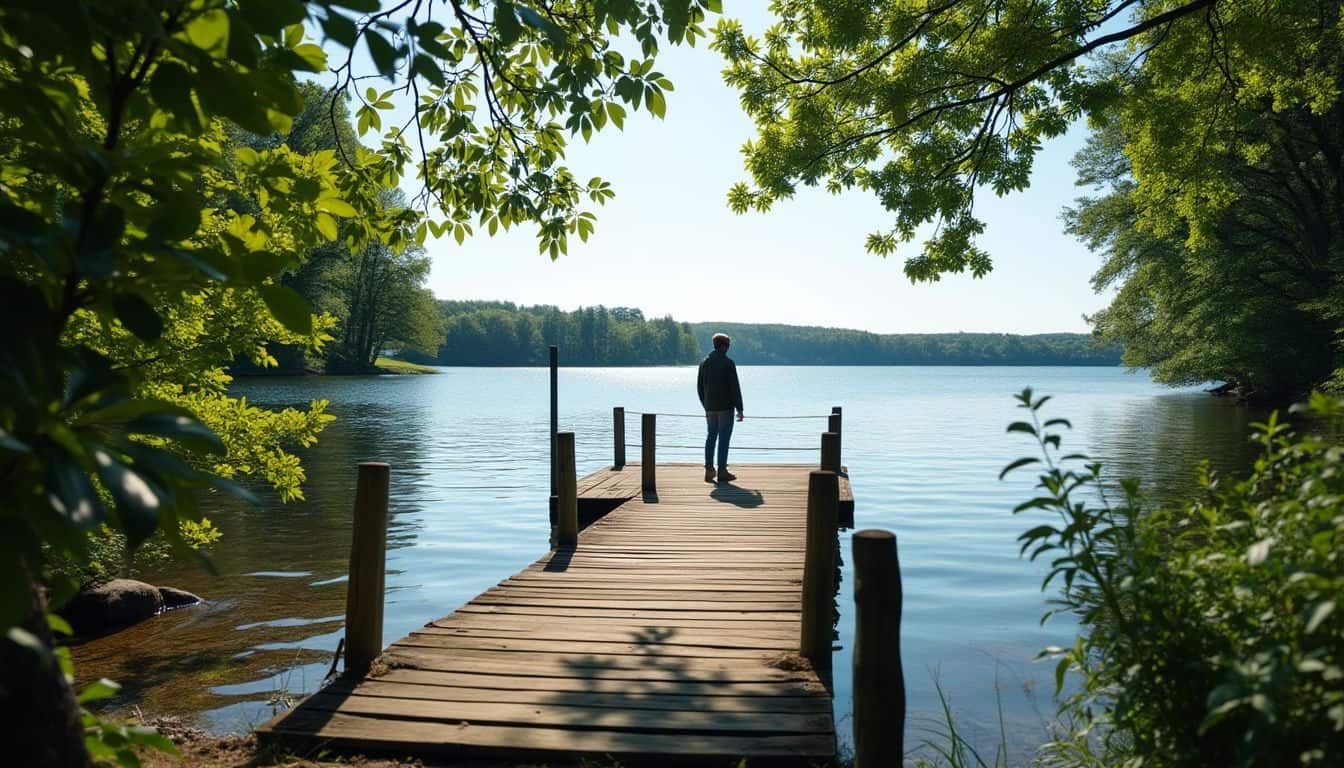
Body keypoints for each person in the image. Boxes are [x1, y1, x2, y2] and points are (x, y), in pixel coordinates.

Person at [697, 332, 744, 482]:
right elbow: (734, 387)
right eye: (728, 345)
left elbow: (699, 387)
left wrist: (706, 405)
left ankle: (709, 470)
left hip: (710, 407)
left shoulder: (704, 362)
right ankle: (722, 471)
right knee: (724, 437)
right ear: (724, 346)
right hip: (725, 407)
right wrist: (740, 408)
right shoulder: (728, 363)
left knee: (711, 436)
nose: (728, 348)